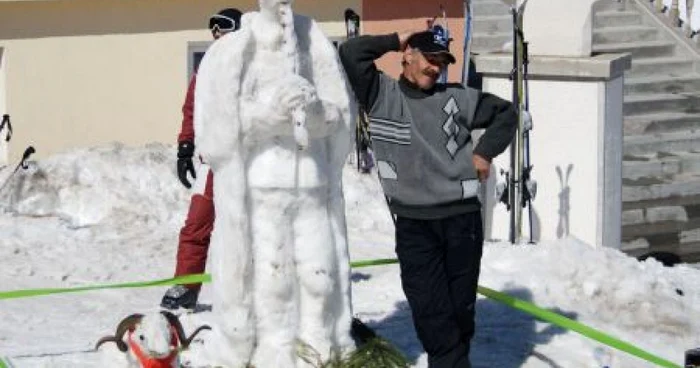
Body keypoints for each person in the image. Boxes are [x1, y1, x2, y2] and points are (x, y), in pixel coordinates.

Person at [339, 30, 517, 367]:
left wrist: (484, 153)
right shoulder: (381, 94)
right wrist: (396, 38)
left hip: (462, 220)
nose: (436, 68)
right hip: (414, 225)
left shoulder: (458, 97)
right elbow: (351, 52)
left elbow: (506, 114)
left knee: (460, 311)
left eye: (442, 62)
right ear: (408, 56)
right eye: (430, 58)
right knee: (430, 311)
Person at [160, 8, 243, 311]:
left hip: (245, 164)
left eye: (224, 29)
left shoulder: (251, 68)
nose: (217, 35)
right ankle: (186, 285)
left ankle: (252, 290)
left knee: (247, 227)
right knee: (196, 223)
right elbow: (191, 111)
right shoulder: (205, 70)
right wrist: (185, 147)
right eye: (214, 31)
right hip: (212, 164)